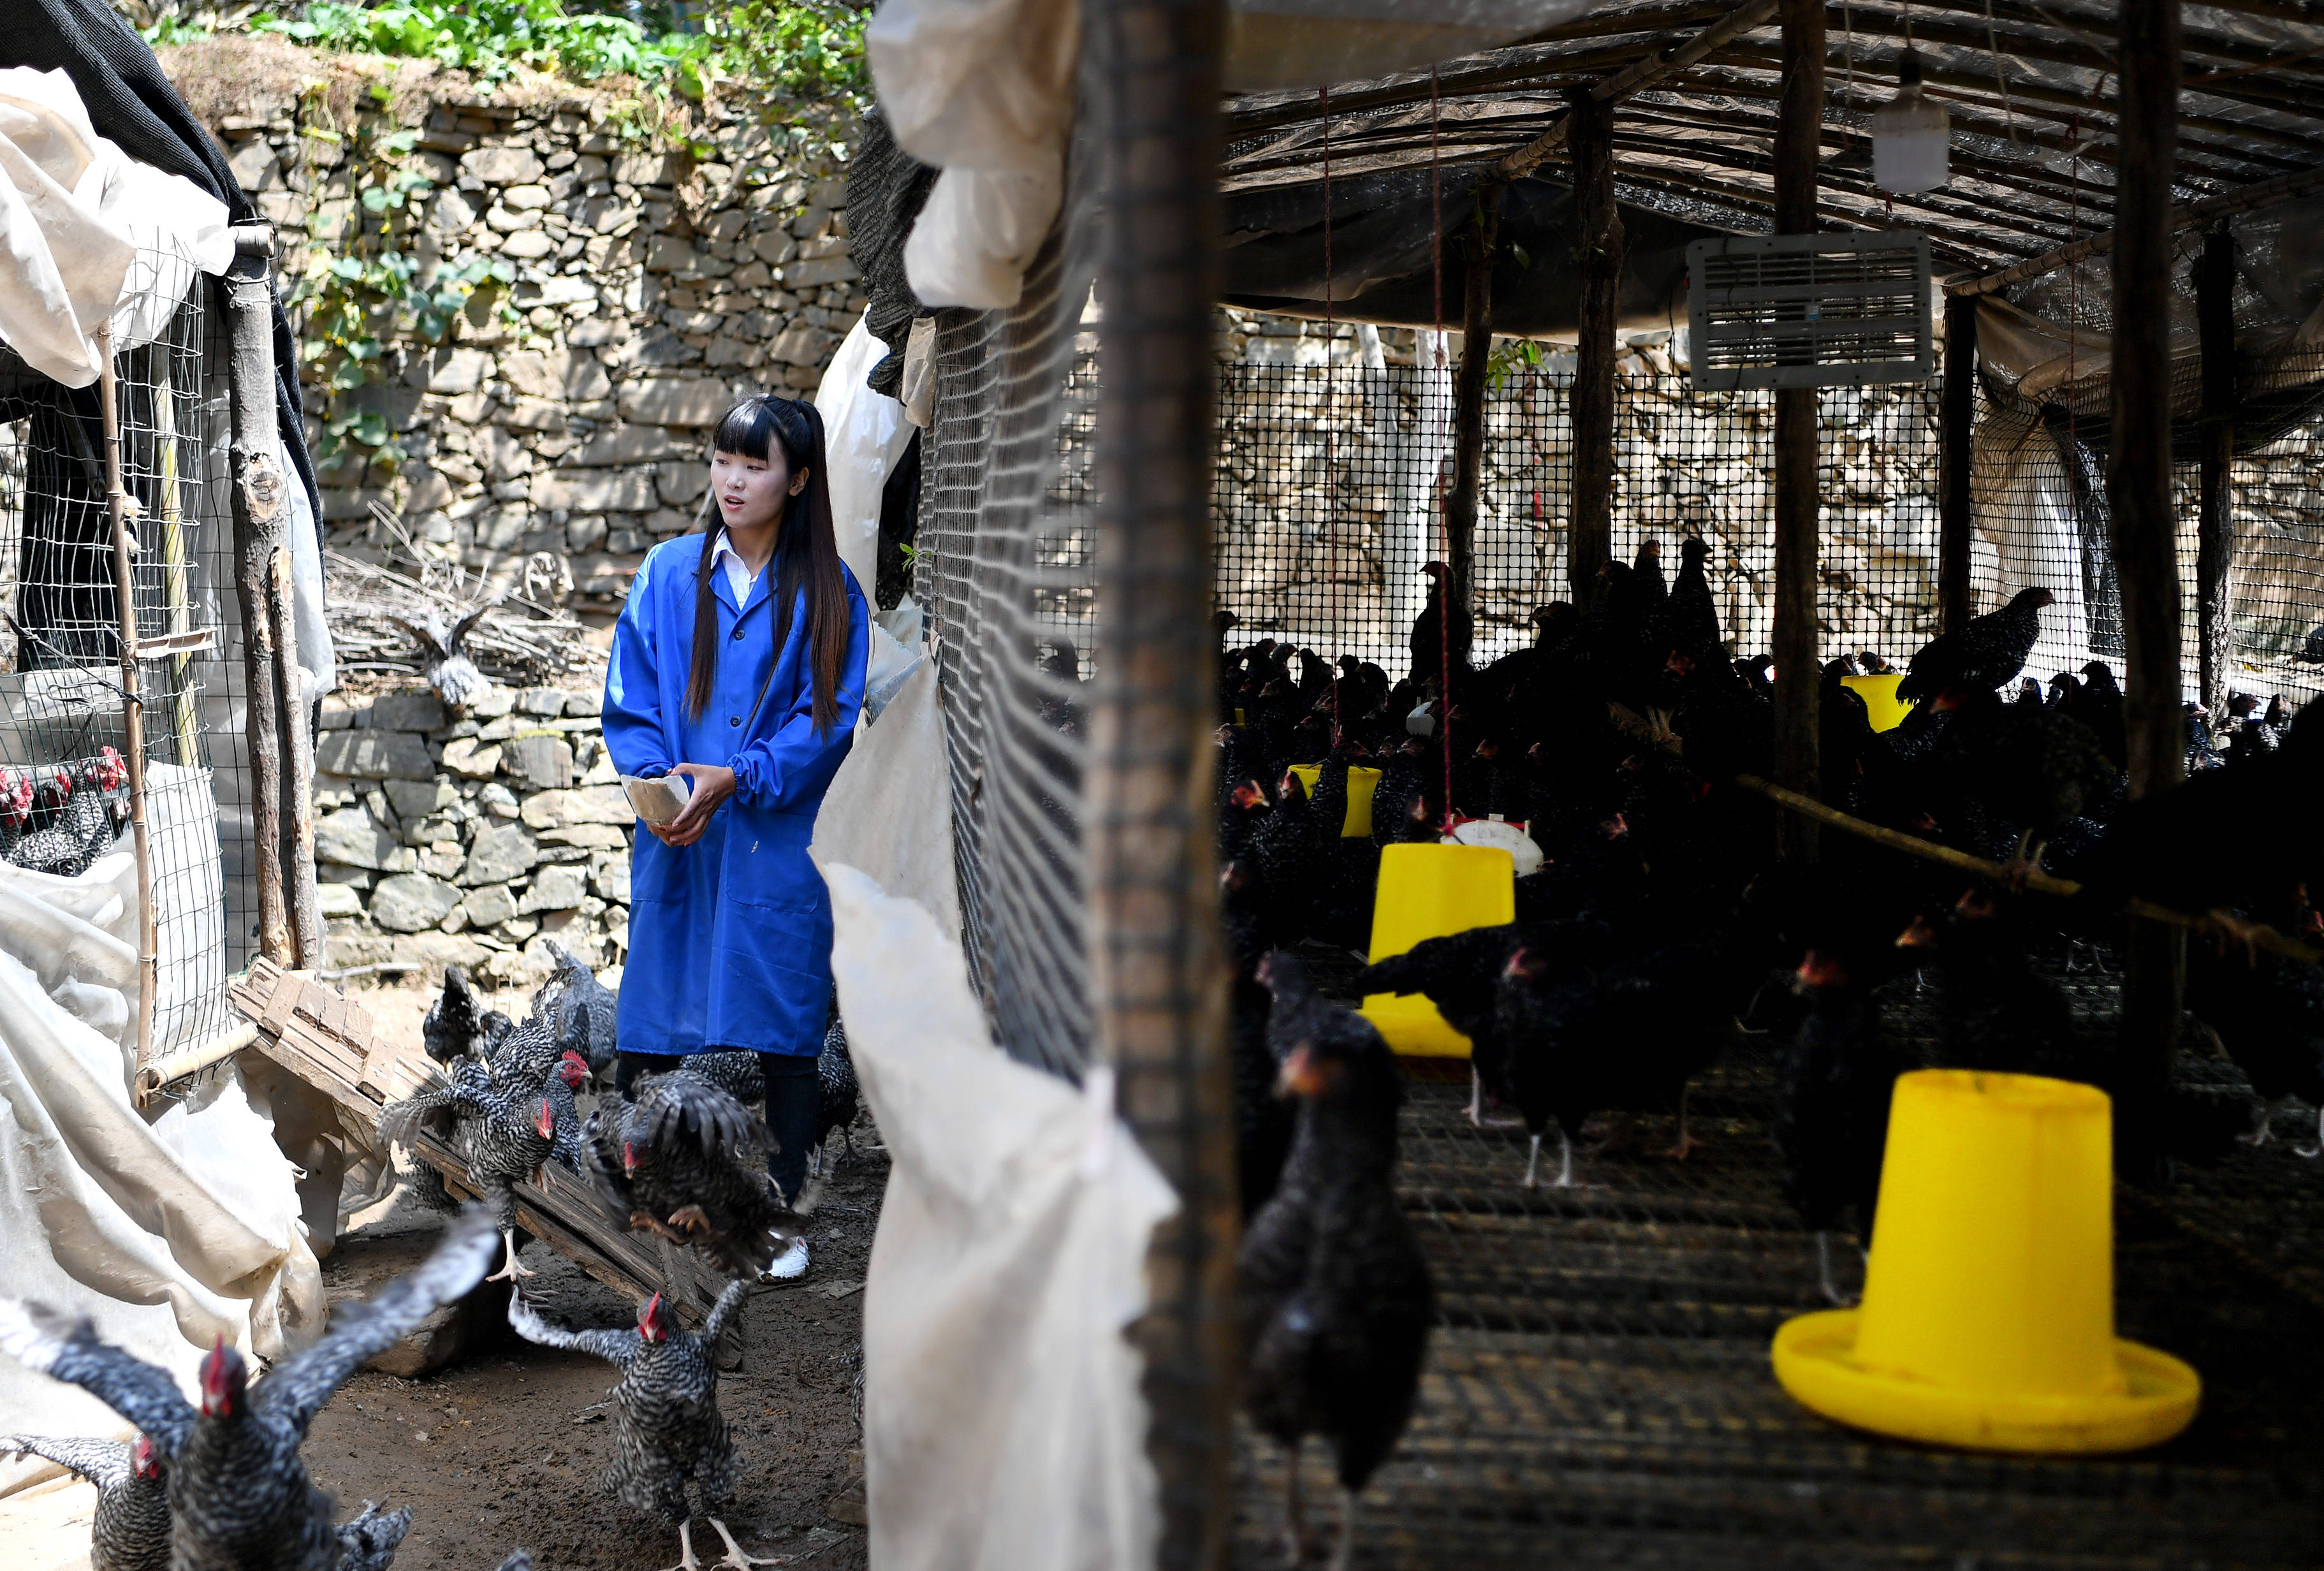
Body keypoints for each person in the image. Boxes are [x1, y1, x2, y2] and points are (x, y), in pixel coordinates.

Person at [602, 395, 870, 1279]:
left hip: (773, 837)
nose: (732, 480)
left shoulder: (828, 591)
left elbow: (823, 720)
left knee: (787, 1031)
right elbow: (632, 700)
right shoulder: (669, 573)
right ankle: (651, 1204)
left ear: (798, 481)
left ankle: (782, 1218)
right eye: (723, 460)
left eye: (755, 465)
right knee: (655, 1017)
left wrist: (740, 777)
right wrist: (663, 782)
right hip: (680, 828)